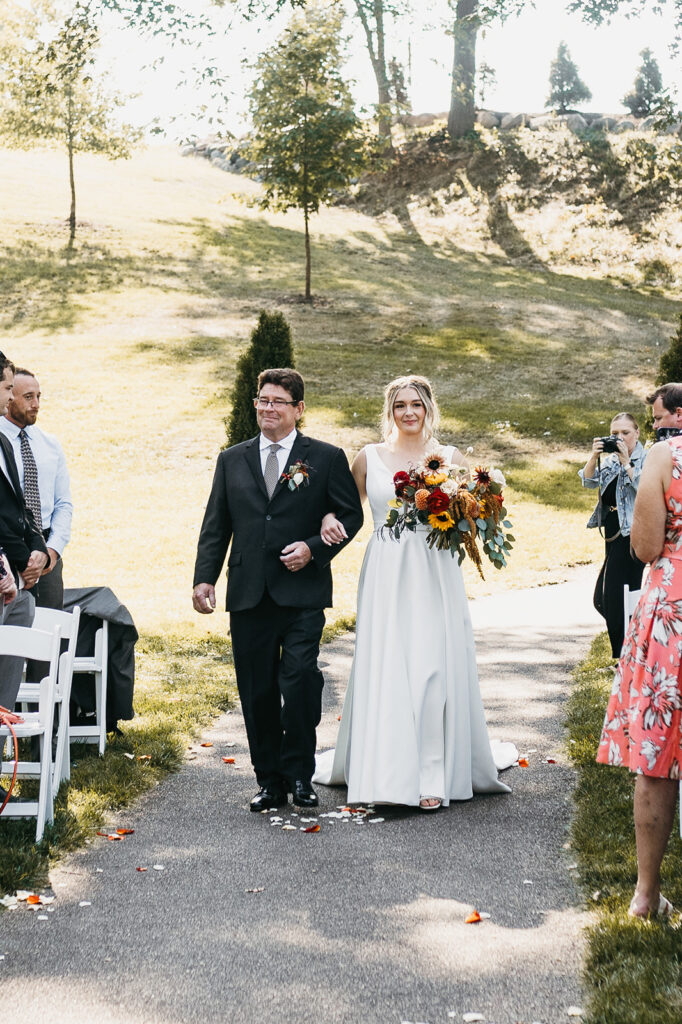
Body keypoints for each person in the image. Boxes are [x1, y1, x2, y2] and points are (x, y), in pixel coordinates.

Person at [314, 375, 512, 811]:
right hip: (386, 568)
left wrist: (474, 515)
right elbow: (345, 504)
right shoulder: (369, 457)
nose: (408, 412)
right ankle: (383, 769)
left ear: (428, 409)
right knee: (388, 661)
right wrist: (328, 517)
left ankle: (430, 774)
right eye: (400, 404)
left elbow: (473, 512)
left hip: (435, 568)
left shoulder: (449, 458)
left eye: (416, 405)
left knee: (432, 665)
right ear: (390, 410)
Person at [192, 368, 363, 813]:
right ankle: (269, 781)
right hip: (248, 594)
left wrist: (312, 549)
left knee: (301, 681)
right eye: (262, 400)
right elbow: (217, 524)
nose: (267, 408)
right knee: (258, 690)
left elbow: (350, 515)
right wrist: (204, 577)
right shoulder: (232, 459)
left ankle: (300, 776)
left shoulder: (324, 457)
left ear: (299, 409)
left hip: (302, 593)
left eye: (277, 402)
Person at [596, 388, 682, 917]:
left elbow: (646, 546)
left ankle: (646, 896)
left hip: (672, 604)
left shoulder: (663, 457)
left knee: (658, 751)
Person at [0, 367, 73, 611]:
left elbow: (63, 503)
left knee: (50, 630)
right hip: (9, 550)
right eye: (28, 397)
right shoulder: (1, 443)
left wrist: (51, 551)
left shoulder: (50, 445)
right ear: (10, 399)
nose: (36, 404)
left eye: (39, 396)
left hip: (46, 552)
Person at [0, 353, 48, 709]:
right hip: (4, 574)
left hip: (15, 587)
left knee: (5, 692)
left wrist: (40, 550)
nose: (9, 396)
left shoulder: (5, 445)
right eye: (6, 388)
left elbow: (21, 509)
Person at [580, 412, 647, 658]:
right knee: (605, 598)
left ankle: (623, 655)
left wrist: (627, 461)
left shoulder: (646, 458)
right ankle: (633, 646)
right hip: (612, 531)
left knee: (616, 597)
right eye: (614, 434)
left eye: (625, 433)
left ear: (637, 433)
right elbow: (588, 481)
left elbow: (644, 489)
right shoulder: (609, 460)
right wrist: (594, 456)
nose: (619, 438)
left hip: (632, 533)